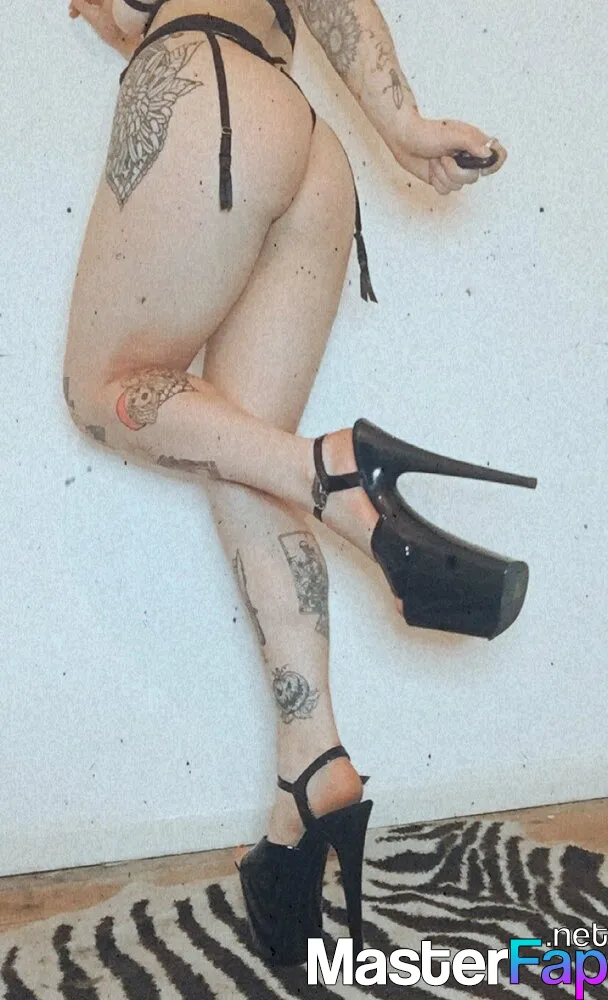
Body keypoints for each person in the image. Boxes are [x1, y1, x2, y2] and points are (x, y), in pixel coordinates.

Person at [64, 0, 536, 964]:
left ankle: (338, 474)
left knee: (102, 386)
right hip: (306, 141)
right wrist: (400, 123)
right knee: (241, 460)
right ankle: (310, 768)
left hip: (205, 88)